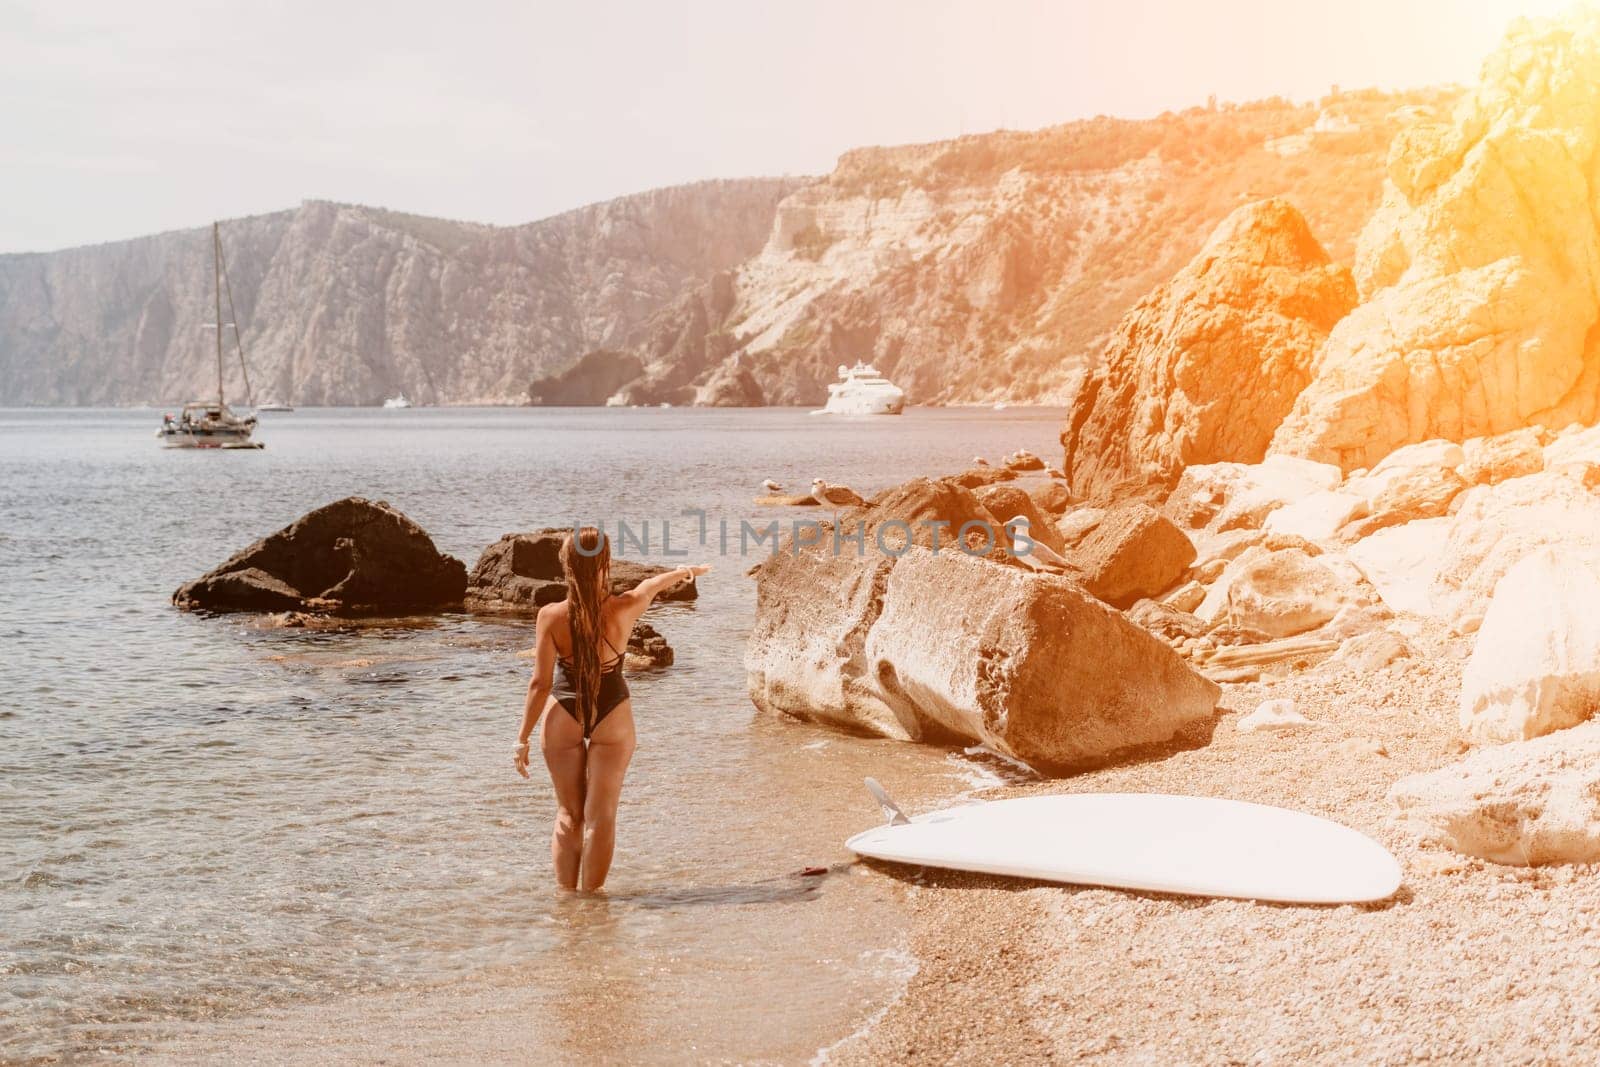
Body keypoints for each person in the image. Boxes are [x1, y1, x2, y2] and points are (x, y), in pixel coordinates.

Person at [513, 527, 710, 891]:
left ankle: (568, 908)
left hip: (563, 712)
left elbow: (539, 684)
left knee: (568, 815)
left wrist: (521, 738)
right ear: (606, 564)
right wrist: (685, 572)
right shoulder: (624, 607)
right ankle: (592, 906)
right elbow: (652, 585)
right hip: (612, 712)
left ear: (566, 565)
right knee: (600, 818)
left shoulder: (550, 615)